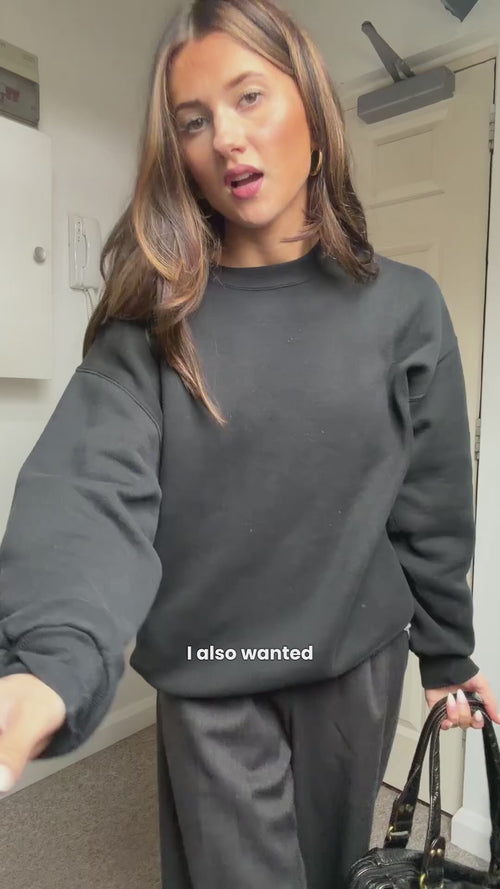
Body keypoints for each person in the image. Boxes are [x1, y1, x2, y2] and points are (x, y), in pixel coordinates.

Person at [0, 0, 498, 886]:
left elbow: (429, 502)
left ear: (310, 104)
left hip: (355, 665)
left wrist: (449, 652)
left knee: (335, 868)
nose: (224, 137)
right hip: (213, 677)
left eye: (249, 97)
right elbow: (87, 491)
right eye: (193, 121)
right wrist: (48, 660)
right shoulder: (150, 331)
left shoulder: (405, 309)